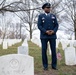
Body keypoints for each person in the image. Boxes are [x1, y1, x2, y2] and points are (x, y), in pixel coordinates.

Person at [37, 3, 59, 70]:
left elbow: (56, 25)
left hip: (52, 36)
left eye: (49, 7)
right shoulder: (41, 16)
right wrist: (45, 31)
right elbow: (39, 26)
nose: (48, 8)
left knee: (53, 51)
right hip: (44, 36)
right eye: (47, 7)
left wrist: (53, 31)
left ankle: (54, 65)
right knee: (44, 51)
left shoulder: (53, 16)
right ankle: (45, 66)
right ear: (44, 9)